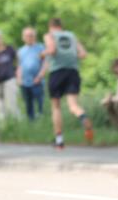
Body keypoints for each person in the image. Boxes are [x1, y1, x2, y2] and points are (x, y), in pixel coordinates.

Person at [39, 17, 93, 149]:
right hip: (73, 72)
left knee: (56, 106)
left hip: (57, 72)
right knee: (73, 105)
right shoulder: (72, 36)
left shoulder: (49, 35)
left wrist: (42, 54)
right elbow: (83, 54)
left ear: (50, 26)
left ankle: (59, 140)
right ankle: (82, 117)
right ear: (61, 26)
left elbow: (52, 50)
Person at [0, 29, 20, 121]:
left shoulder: (9, 49)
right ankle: (3, 126)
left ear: (1, 38)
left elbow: (18, 60)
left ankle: (17, 123)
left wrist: (17, 72)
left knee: (12, 103)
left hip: (9, 79)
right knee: (0, 106)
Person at [16, 27, 45, 121]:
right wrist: (19, 78)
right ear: (23, 37)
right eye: (27, 36)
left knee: (40, 104)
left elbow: (45, 63)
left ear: (35, 37)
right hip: (25, 81)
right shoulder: (20, 51)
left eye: (31, 35)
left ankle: (41, 121)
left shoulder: (41, 48)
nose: (29, 37)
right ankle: (31, 122)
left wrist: (40, 76)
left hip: (37, 81)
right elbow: (19, 66)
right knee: (28, 104)